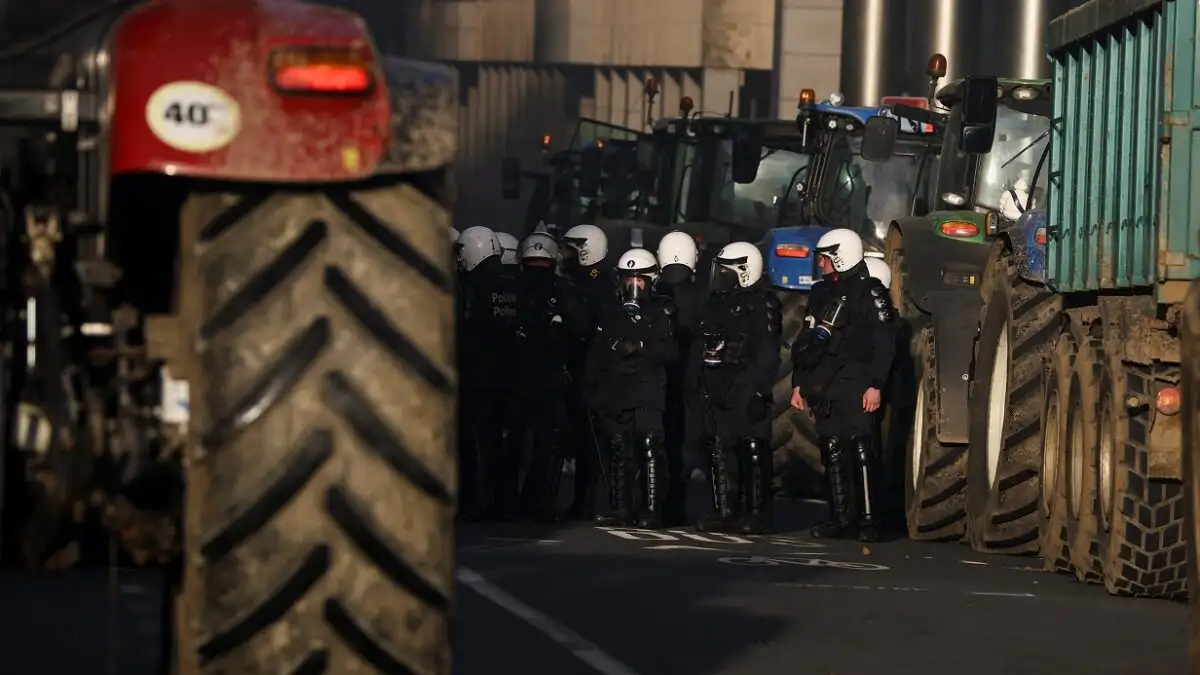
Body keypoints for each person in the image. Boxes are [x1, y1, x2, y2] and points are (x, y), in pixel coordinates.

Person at [790, 228, 897, 542]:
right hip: (826, 384)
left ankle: (868, 521)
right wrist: (799, 384)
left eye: (824, 259)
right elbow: (807, 340)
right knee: (832, 448)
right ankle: (840, 518)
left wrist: (876, 385)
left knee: (863, 447)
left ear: (839, 256)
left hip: (858, 382)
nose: (820, 265)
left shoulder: (872, 292)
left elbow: (884, 344)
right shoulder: (820, 293)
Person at [684, 242, 782, 534]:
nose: (721, 277)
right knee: (718, 446)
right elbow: (701, 342)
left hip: (747, 382)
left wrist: (761, 390)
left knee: (752, 447)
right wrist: (696, 380)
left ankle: (757, 512)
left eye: (727, 272)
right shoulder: (714, 303)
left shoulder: (763, 303)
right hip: (718, 382)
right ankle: (725, 508)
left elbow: (768, 351)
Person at [585, 248, 677, 528]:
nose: (632, 287)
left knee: (649, 444)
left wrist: (639, 347)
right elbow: (597, 352)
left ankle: (651, 510)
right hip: (618, 389)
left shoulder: (661, 313)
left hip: (647, 388)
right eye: (627, 280)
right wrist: (590, 386)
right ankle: (620, 508)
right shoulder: (611, 314)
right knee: (618, 447)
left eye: (639, 280)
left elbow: (670, 351)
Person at [508, 232, 589, 520]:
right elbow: (580, 328)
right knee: (549, 442)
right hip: (550, 377)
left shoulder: (511, 286)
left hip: (512, 377)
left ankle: (502, 500)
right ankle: (539, 501)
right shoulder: (563, 289)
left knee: (510, 441)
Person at [456, 225, 523, 520]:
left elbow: (464, 327)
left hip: (477, 371)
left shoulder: (472, 286)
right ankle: (502, 501)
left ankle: (476, 500)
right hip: (509, 371)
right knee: (501, 439)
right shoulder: (511, 284)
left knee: (474, 438)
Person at [560, 224, 616, 521]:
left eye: (571, 249)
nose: (565, 255)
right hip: (580, 366)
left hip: (592, 369)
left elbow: (589, 327)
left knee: (590, 440)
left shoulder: (597, 285)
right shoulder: (580, 281)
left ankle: (588, 501)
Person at [654, 230, 707, 525]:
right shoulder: (702, 296)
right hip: (690, 382)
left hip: (656, 382)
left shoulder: (654, 293)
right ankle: (675, 506)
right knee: (685, 446)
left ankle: (647, 505)